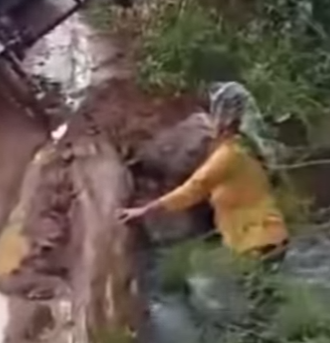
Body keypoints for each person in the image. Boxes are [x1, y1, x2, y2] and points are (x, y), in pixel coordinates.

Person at [119, 82, 289, 260]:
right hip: (265, 239)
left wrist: (144, 211)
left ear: (225, 117)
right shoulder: (244, 146)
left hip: (259, 244)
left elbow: (194, 188)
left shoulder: (229, 156)